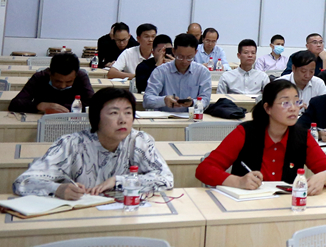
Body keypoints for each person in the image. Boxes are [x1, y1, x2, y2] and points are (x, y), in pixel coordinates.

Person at [14, 87, 173, 198]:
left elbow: (166, 178)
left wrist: (118, 181)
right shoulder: (71, 144)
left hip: (124, 216)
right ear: (96, 117)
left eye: (128, 113)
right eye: (114, 113)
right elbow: (23, 182)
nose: (123, 120)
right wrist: (57, 189)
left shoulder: (139, 141)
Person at [196, 79, 326, 193]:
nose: (293, 108)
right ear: (268, 108)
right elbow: (204, 169)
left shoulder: (303, 136)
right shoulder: (245, 132)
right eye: (285, 103)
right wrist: (238, 181)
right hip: (246, 206)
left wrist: (325, 177)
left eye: (297, 102)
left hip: (286, 205)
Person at [144, 33, 212, 112]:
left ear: (195, 52)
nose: (184, 61)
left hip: (190, 116)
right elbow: (147, 100)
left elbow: (206, 100)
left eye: (189, 57)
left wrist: (193, 103)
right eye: (180, 57)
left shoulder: (202, 72)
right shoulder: (161, 71)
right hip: (164, 117)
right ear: (173, 51)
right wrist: (164, 100)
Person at [9, 52, 95, 113]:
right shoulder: (40, 77)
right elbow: (15, 104)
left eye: (69, 82)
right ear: (50, 73)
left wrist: (63, 108)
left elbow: (94, 104)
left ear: (76, 75)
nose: (63, 86)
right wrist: (38, 106)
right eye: (57, 81)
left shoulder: (81, 77)